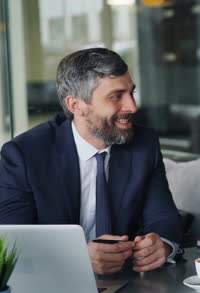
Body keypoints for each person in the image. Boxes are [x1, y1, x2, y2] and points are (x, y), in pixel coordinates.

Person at [0, 48, 182, 275]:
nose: (132, 107)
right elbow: (12, 243)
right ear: (76, 105)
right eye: (116, 96)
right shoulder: (24, 155)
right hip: (54, 285)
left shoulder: (144, 144)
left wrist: (162, 244)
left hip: (126, 288)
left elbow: (164, 217)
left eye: (131, 93)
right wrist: (77, 257)